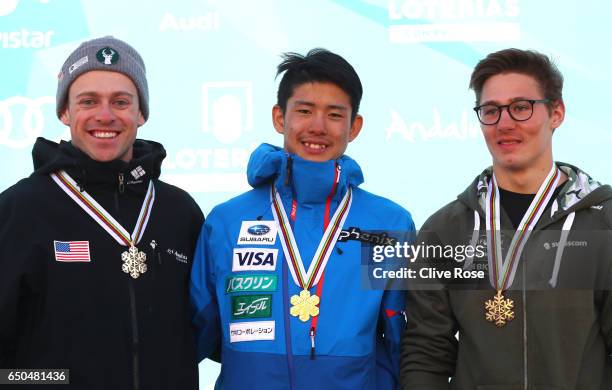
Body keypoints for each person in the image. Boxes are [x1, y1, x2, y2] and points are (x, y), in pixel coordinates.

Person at [190, 48, 414, 389]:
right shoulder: (227, 221)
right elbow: (198, 333)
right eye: (305, 111)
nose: (318, 126)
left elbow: (407, 341)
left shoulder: (389, 222)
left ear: (354, 127)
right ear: (280, 118)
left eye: (335, 115)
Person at [400, 48, 612, 389]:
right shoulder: (445, 230)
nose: (505, 123)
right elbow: (427, 351)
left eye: (521, 107)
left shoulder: (602, 223)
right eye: (491, 110)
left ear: (556, 113)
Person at [0, 36, 203, 389]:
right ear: (65, 112)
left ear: (141, 113)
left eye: (121, 102)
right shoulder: (20, 209)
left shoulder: (178, 211)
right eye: (89, 101)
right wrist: (48, 382)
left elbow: (207, 330)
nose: (105, 115)